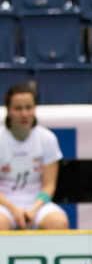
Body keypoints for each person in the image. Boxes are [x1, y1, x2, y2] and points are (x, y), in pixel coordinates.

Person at [0, 84, 68, 230]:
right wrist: (13, 209)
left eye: (28, 107)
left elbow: (49, 186)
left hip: (37, 204)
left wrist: (33, 209)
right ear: (9, 111)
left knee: (58, 222)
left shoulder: (47, 138)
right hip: (4, 204)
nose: (24, 114)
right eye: (18, 108)